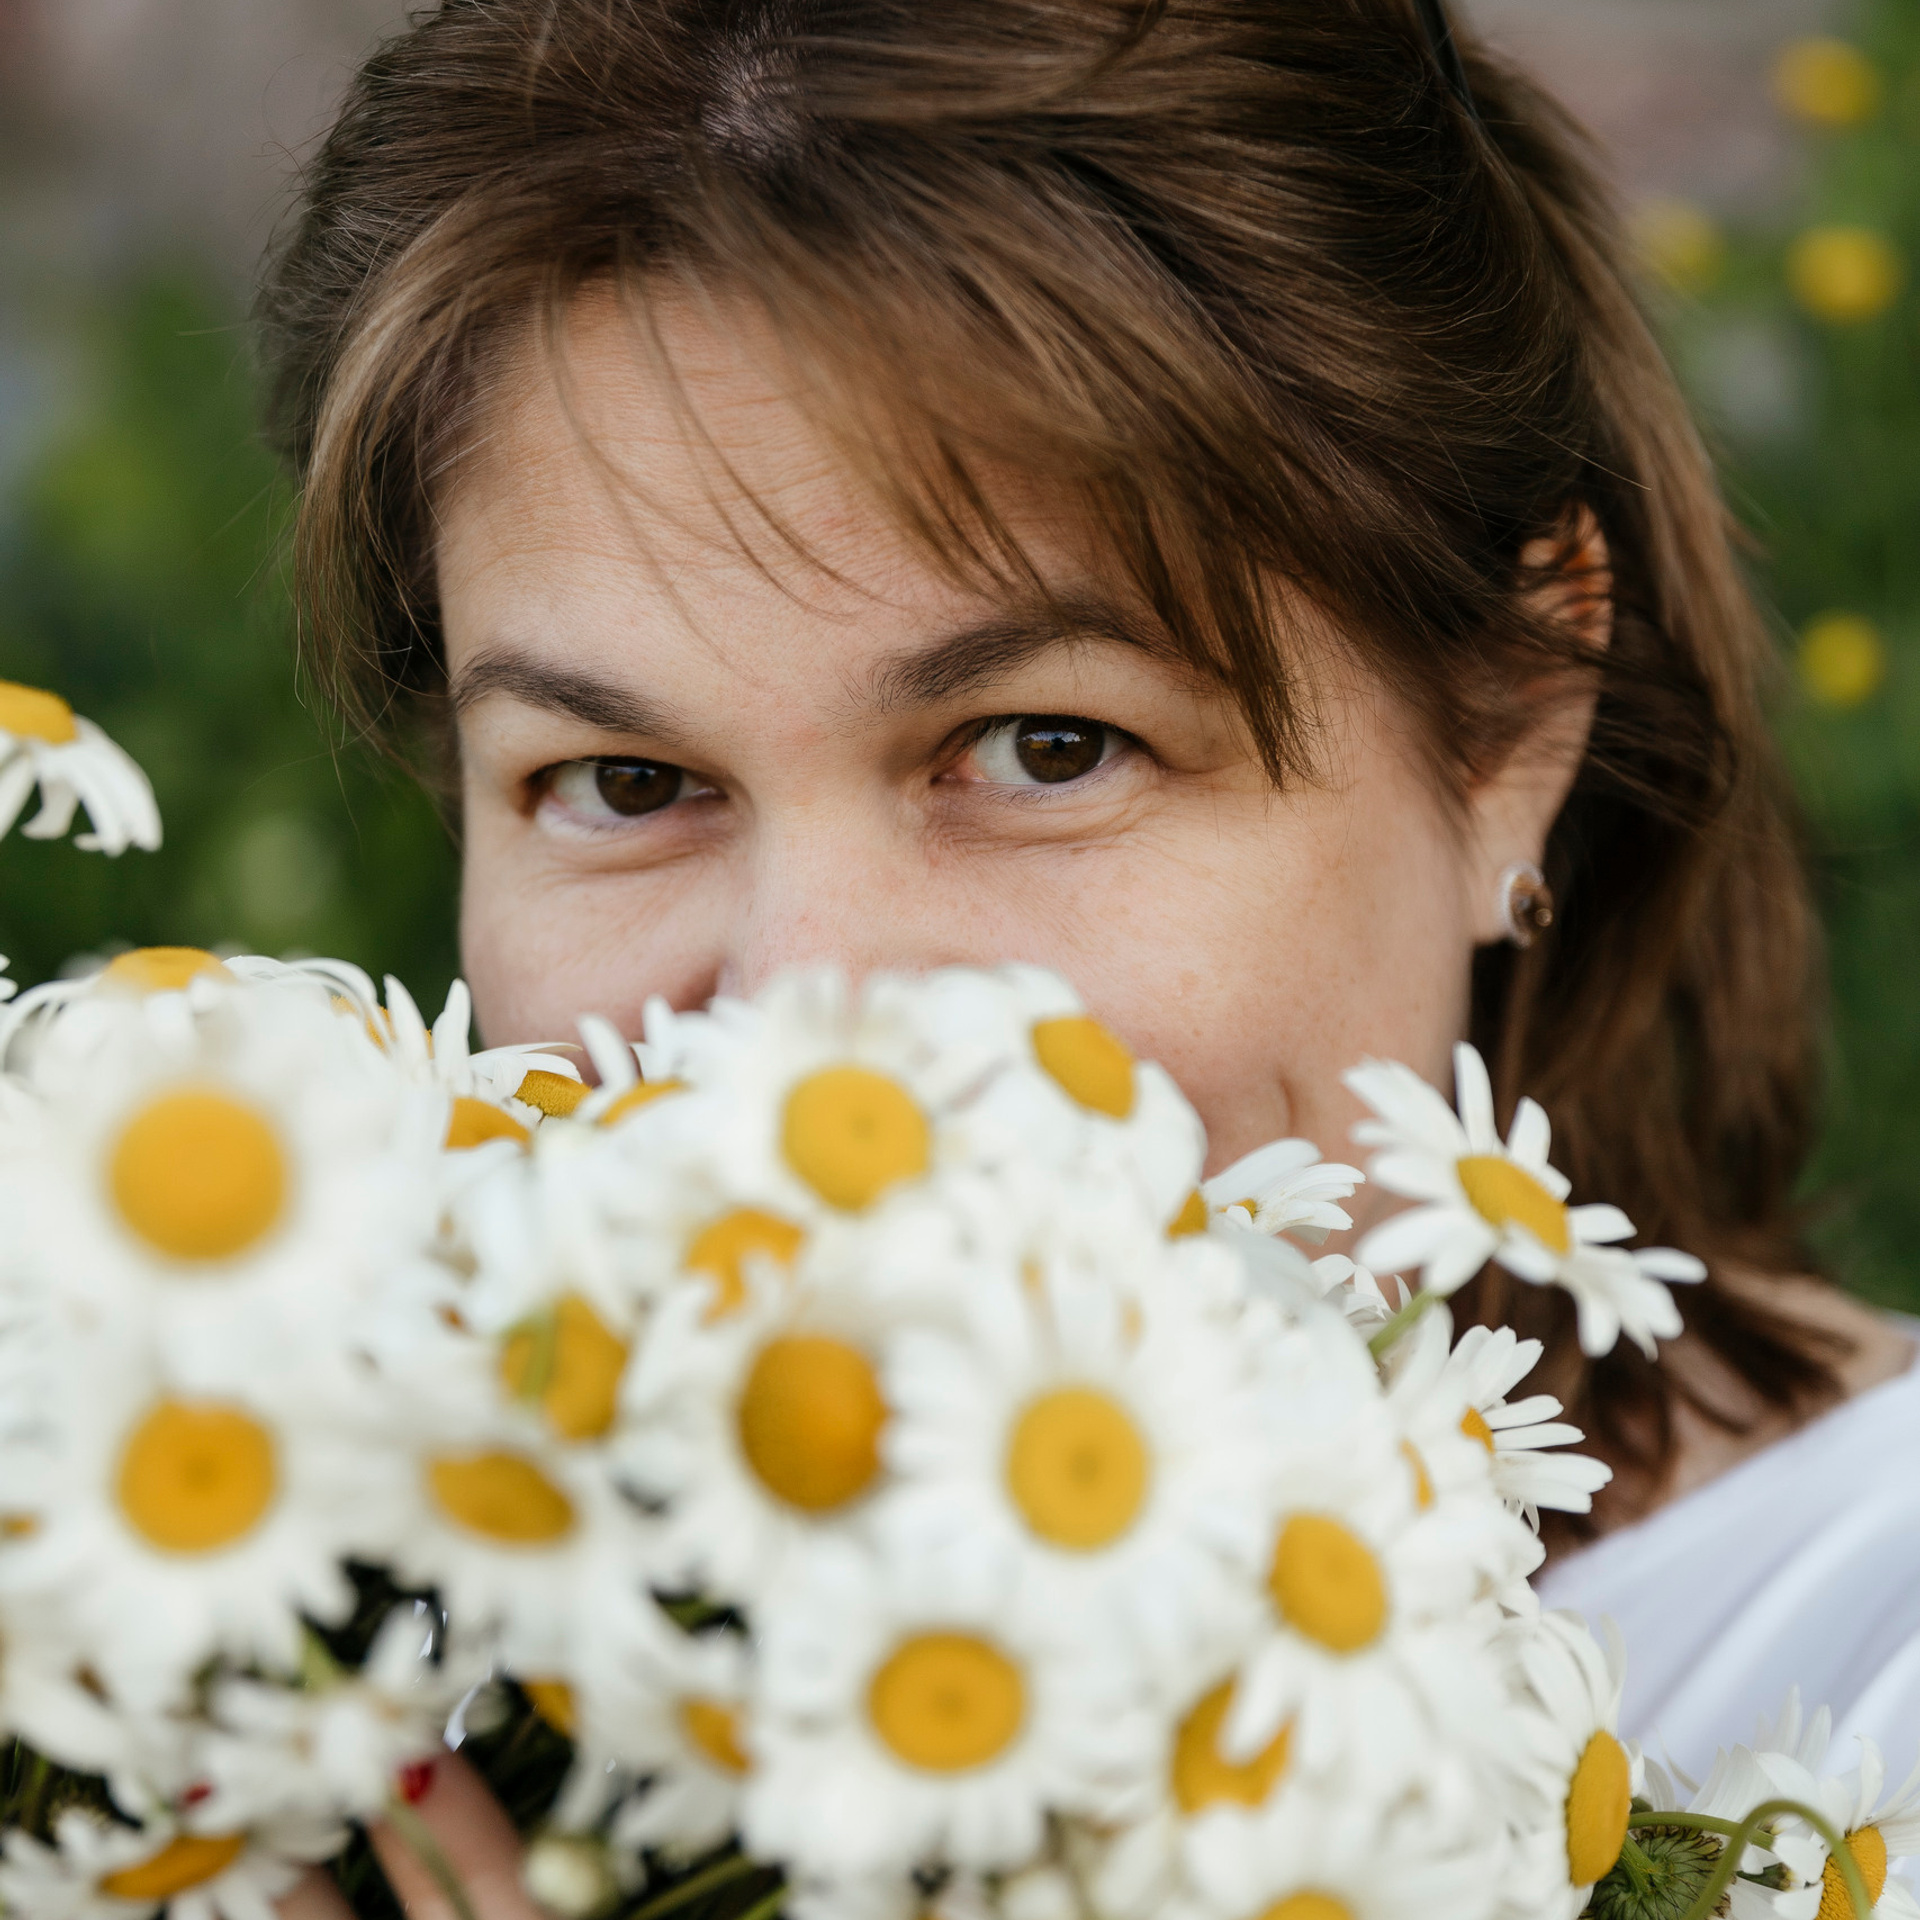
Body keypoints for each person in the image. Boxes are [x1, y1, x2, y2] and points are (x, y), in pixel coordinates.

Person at [256, 0, 1917, 1913]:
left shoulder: (1866, 1712)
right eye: (625, 779)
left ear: (1512, 729)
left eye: (1052, 747)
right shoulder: (316, 1684)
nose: (817, 1036)